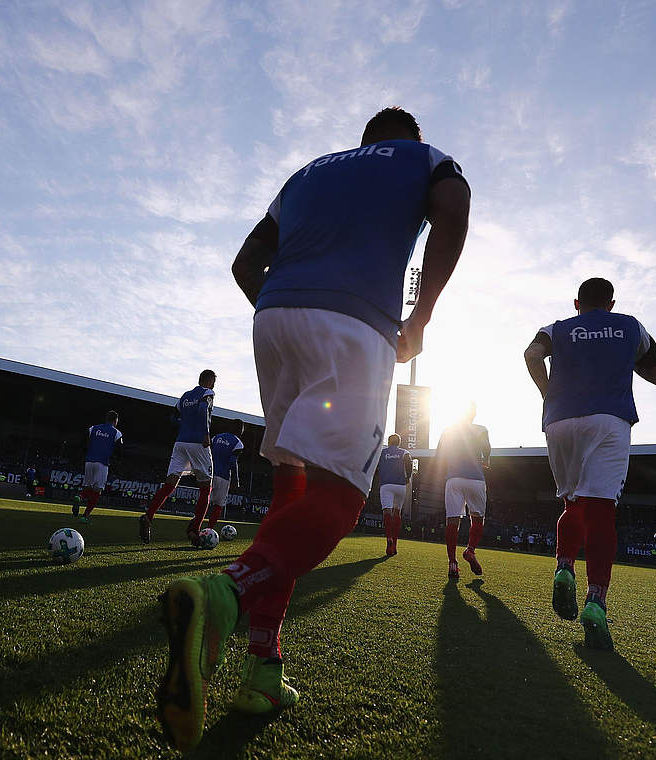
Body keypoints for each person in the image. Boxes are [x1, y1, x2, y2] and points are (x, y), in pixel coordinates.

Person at [152, 107, 470, 751]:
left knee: (290, 489)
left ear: (361, 141)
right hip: (355, 322)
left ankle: (262, 672)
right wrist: (423, 315)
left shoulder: (305, 174)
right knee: (339, 498)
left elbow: (246, 264)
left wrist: (283, 304)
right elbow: (455, 207)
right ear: (406, 136)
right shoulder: (423, 157)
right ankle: (222, 596)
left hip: (273, 316)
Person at [525, 276, 656, 651]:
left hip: (559, 421)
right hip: (609, 419)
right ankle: (596, 603)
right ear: (611, 303)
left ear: (576, 303)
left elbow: (531, 355)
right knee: (601, 509)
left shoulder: (556, 329)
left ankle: (564, 567)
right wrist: (622, 356)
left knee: (572, 502)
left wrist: (548, 393)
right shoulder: (630, 326)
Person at [138, 370, 216, 544]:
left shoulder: (185, 396)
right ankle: (194, 530)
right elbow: (204, 409)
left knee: (170, 484)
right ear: (209, 381)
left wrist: (185, 425)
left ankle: (148, 516)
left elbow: (173, 417)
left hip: (180, 442)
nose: (214, 385)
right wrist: (205, 433)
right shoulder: (207, 393)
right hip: (198, 442)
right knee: (206, 488)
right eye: (214, 381)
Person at [437, 405, 491, 579]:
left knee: (452, 520)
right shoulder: (481, 429)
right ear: (473, 414)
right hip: (476, 479)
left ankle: (452, 563)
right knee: (478, 519)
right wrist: (486, 460)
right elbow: (487, 449)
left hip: (454, 479)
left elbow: (440, 454)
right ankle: (470, 550)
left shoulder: (449, 430)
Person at [75, 411, 123, 523]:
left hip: (89, 461)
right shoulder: (117, 433)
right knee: (97, 491)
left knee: (87, 487)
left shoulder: (93, 428)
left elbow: (82, 442)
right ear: (115, 421)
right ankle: (84, 516)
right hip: (103, 463)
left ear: (106, 418)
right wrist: (115, 461)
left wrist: (85, 454)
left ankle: (80, 497)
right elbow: (119, 451)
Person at [205, 418, 247, 533]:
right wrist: (236, 480)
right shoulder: (238, 443)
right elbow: (233, 461)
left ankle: (195, 524)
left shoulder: (216, 437)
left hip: (210, 473)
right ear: (240, 430)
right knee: (218, 505)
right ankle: (209, 530)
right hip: (223, 476)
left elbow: (207, 452)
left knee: (205, 500)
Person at [375, 433, 412, 556]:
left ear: (389, 442)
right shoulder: (404, 452)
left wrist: (377, 476)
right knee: (397, 512)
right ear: (399, 443)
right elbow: (409, 464)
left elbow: (375, 465)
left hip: (386, 485)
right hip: (400, 486)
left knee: (387, 512)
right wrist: (407, 478)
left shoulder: (382, 452)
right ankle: (395, 543)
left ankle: (389, 539)